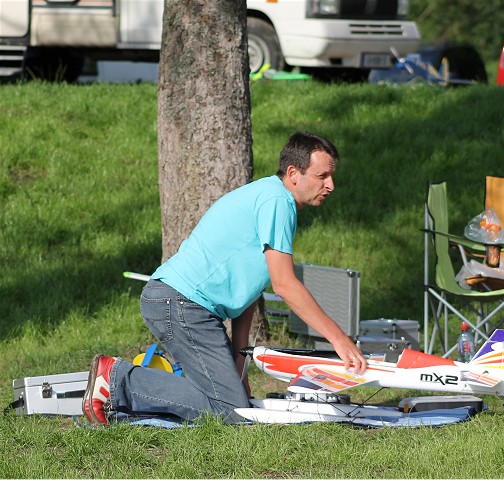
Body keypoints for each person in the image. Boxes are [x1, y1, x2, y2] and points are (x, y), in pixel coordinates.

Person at [82, 131, 369, 425]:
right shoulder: (277, 201)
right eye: (322, 176)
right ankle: (117, 381)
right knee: (233, 412)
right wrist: (339, 339)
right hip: (182, 304)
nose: (330, 185)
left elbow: (252, 288)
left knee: (233, 404)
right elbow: (284, 284)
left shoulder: (273, 197)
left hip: (182, 305)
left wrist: (239, 360)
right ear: (294, 174)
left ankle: (119, 391)